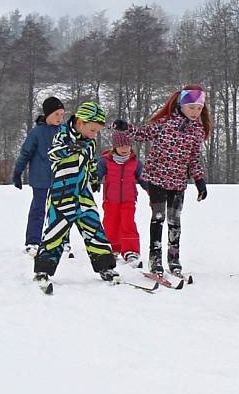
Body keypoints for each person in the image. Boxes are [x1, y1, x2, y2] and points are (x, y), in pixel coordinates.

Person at [112, 85, 209, 278]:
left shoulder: (197, 130)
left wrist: (199, 180)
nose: (195, 112)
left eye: (199, 108)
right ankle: (155, 259)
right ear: (181, 105)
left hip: (178, 182)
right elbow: (142, 133)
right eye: (191, 107)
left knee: (175, 221)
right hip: (157, 178)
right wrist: (126, 128)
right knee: (158, 218)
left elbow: (194, 158)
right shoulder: (165, 123)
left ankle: (174, 259)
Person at [33, 102, 116, 291]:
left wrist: (94, 178)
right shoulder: (62, 134)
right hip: (62, 194)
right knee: (56, 232)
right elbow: (52, 155)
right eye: (93, 130)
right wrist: (71, 147)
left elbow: (91, 161)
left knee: (94, 228)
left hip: (82, 193)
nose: (95, 134)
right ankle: (43, 270)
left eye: (97, 131)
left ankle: (105, 266)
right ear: (80, 123)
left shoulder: (90, 141)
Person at [12, 96, 65, 256]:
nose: (60, 118)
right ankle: (33, 241)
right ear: (48, 114)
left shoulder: (64, 132)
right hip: (40, 178)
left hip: (60, 179)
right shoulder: (36, 133)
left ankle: (61, 240)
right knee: (38, 209)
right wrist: (18, 172)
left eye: (62, 115)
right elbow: (25, 153)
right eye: (56, 114)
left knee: (60, 210)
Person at [97, 131, 144, 267]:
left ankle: (131, 250)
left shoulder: (135, 162)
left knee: (128, 223)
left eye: (127, 145)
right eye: (121, 146)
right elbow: (97, 174)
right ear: (115, 146)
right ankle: (112, 247)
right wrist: (94, 182)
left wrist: (151, 192)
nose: (124, 149)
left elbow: (143, 179)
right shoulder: (105, 161)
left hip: (129, 199)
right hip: (110, 199)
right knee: (111, 223)